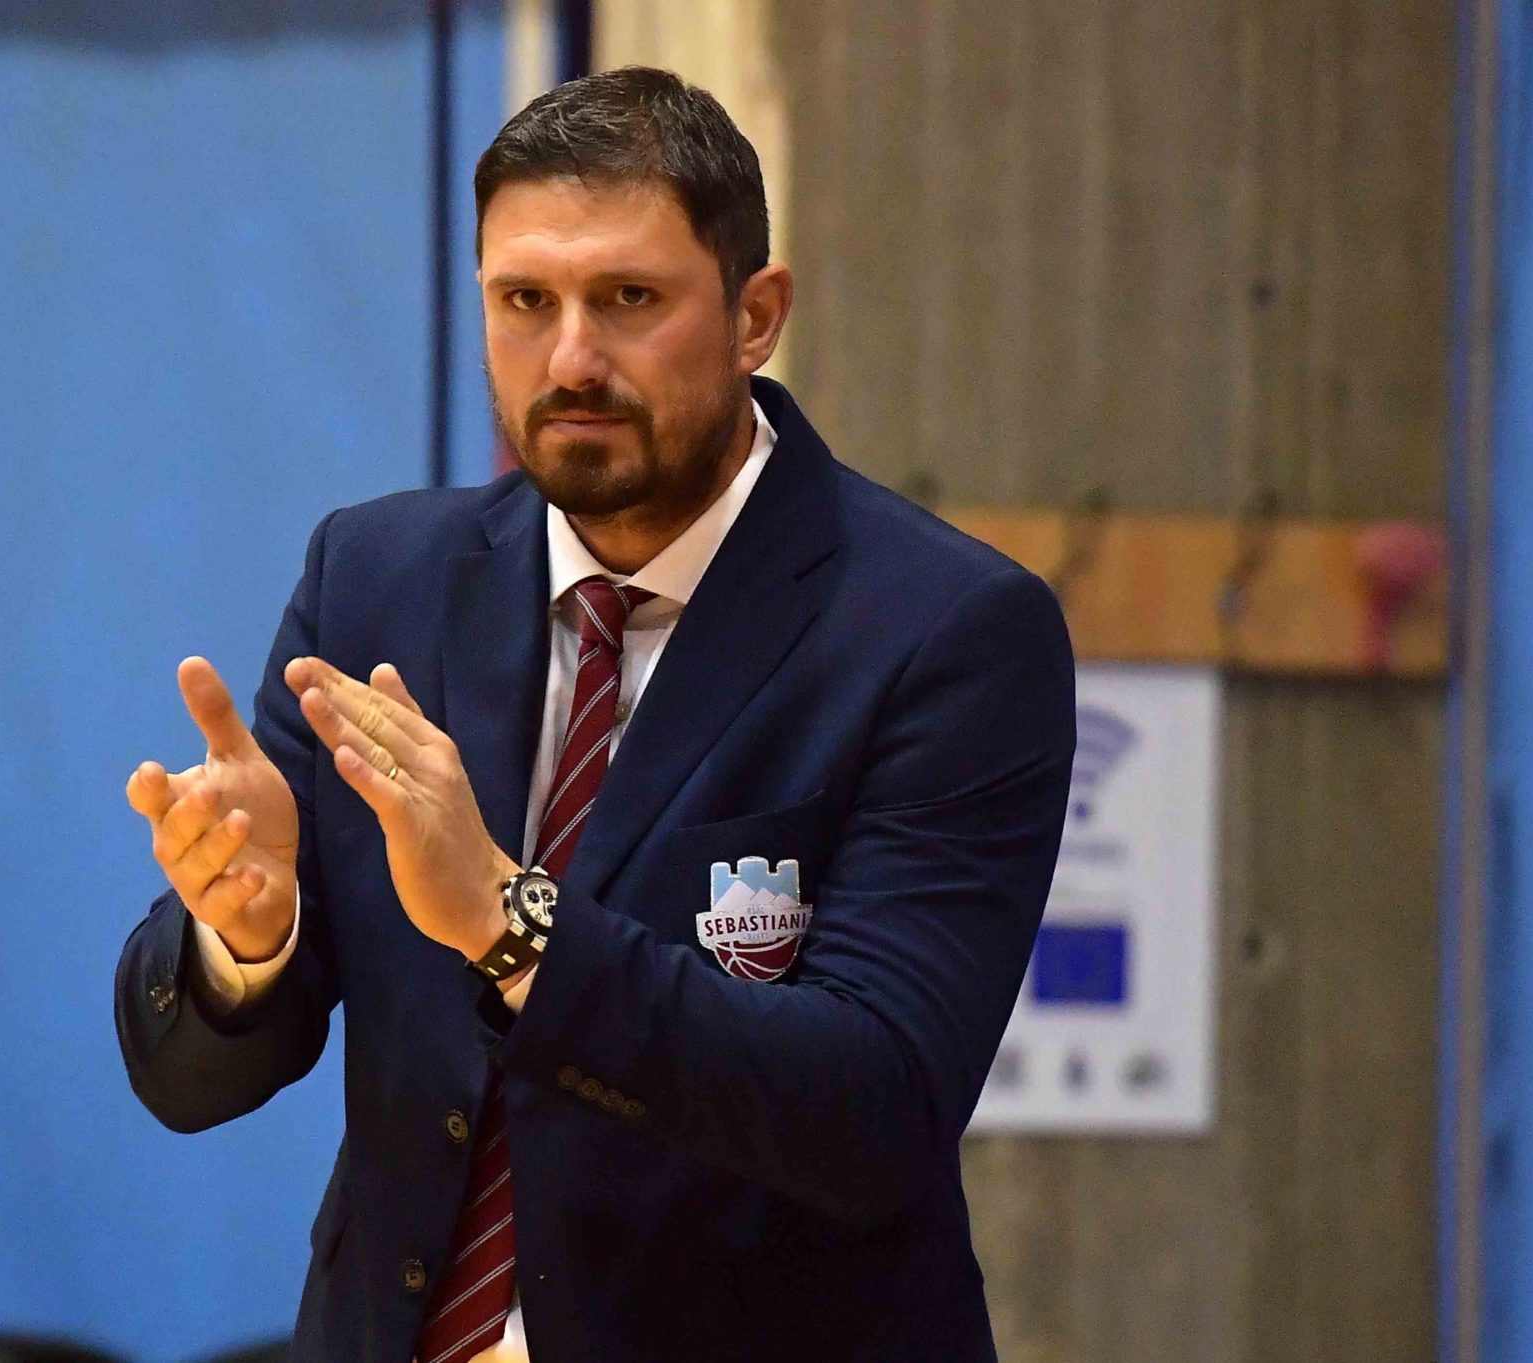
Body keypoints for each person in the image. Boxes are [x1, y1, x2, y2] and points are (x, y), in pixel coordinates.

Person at [115, 65, 1075, 1363]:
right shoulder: (378, 580)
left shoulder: (942, 630)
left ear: (755, 316)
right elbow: (190, 1080)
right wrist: (249, 935)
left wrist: (509, 923)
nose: (571, 360)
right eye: (525, 301)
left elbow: (872, 1107)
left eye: (629, 299)